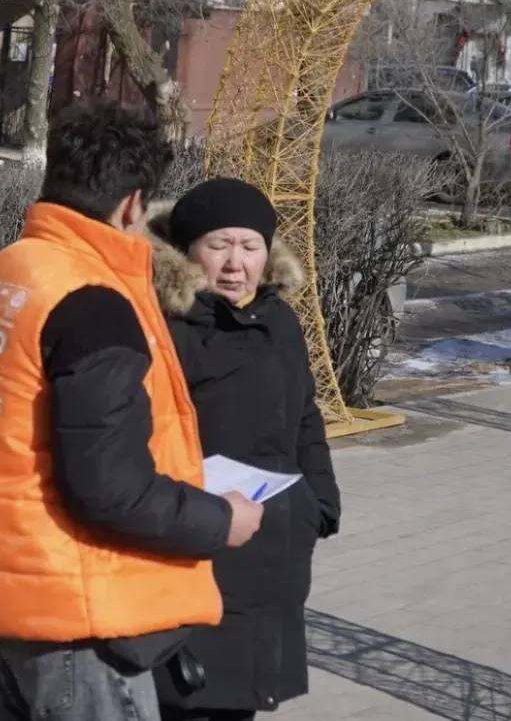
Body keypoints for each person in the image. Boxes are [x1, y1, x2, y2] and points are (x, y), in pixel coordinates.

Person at [0, 100, 265, 721]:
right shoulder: (92, 299)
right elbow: (108, 486)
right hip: (74, 610)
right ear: (134, 205)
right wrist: (220, 521)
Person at [147, 178, 342, 721]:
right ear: (188, 252)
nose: (236, 263)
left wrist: (319, 503)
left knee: (243, 702)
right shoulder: (167, 329)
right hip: (197, 545)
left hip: (274, 546)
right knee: (189, 701)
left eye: (250, 246)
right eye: (219, 245)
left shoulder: (278, 320)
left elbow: (305, 415)